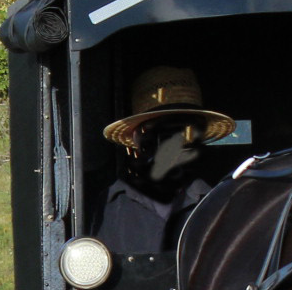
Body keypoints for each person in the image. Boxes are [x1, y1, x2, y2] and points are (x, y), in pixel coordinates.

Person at [96, 66, 235, 254]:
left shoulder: (220, 204)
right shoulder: (106, 207)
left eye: (184, 131)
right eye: (159, 130)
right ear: (137, 137)